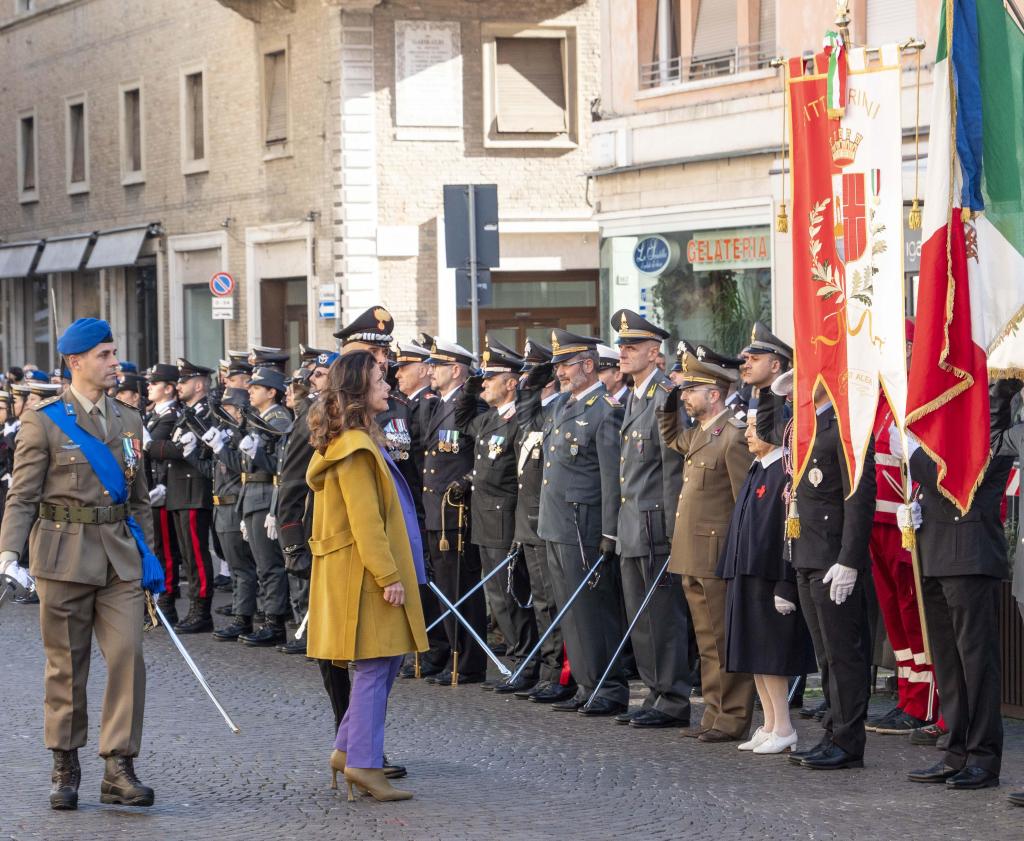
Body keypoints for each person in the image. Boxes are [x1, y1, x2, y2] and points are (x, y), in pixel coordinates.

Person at [0, 317, 164, 810]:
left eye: (114, 354)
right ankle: (65, 761)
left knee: (127, 657)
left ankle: (118, 765)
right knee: (65, 665)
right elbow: (22, 495)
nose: (115, 364)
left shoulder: (130, 420)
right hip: (61, 554)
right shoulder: (44, 420)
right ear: (76, 362)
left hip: (119, 558)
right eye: (105, 355)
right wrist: (8, 553)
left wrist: (149, 557)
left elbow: (137, 499)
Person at [305, 350, 428, 802]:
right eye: (380, 378)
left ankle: (346, 750)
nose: (389, 386)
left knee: (383, 663)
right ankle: (364, 763)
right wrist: (388, 575)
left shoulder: (355, 440)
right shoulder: (355, 447)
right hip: (365, 575)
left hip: (362, 572)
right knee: (377, 666)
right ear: (359, 389)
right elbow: (366, 521)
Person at [905, 379, 1020, 790]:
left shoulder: (985, 436)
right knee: (949, 665)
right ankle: (955, 749)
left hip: (969, 556)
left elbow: (949, 471)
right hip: (936, 551)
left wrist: (914, 446)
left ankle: (984, 758)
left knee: (977, 666)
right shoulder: (946, 433)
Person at [759, 381, 876, 771]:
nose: (790, 393)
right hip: (806, 552)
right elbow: (766, 428)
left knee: (844, 655)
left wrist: (850, 558)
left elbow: (859, 495)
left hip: (833, 557)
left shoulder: (844, 425)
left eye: (799, 382)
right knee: (826, 656)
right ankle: (833, 731)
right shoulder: (800, 427)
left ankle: (849, 741)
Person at [517, 329, 628, 716]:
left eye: (565, 365)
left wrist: (610, 532)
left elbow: (612, 478)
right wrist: (533, 380)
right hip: (556, 524)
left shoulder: (605, 410)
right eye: (558, 366)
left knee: (593, 612)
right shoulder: (561, 405)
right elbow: (525, 415)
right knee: (570, 611)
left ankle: (608, 687)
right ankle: (586, 684)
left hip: (585, 527)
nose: (560, 372)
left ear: (587, 364)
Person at [657, 350, 755, 743]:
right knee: (706, 640)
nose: (685, 397)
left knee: (721, 638)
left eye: (690, 390)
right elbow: (669, 437)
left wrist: (738, 556)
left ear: (714, 394)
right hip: (693, 554)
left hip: (717, 555)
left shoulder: (731, 435)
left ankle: (733, 716)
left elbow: (743, 503)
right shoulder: (701, 433)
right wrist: (669, 397)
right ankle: (714, 712)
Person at [611, 309, 692, 728]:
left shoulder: (665, 397)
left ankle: (674, 698)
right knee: (641, 617)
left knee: (662, 615)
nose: (623, 353)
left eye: (631, 347)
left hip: (655, 524)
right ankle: (655, 692)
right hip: (632, 524)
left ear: (653, 351)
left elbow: (671, 470)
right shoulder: (635, 396)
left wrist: (673, 530)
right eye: (622, 347)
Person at [717, 417, 817, 754]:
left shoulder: (784, 472)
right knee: (754, 655)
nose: (746, 433)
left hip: (768, 576)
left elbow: (786, 533)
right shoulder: (759, 467)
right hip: (746, 571)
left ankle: (785, 726)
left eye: (754, 427)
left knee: (770, 654)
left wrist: (785, 583)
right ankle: (770, 723)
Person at [455, 338, 539, 692]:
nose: (484, 383)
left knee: (509, 596)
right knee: (496, 596)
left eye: (491, 378)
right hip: (484, 517)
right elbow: (462, 418)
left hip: (505, 518)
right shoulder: (489, 419)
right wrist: (474, 381)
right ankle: (520, 661)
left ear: (511, 383)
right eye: (483, 378)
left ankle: (526, 662)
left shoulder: (519, 419)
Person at [511, 338, 574, 703]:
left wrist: (540, 377)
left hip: (551, 519)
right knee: (541, 601)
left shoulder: (560, 409)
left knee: (554, 600)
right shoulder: (538, 413)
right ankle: (550, 670)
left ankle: (561, 673)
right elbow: (524, 416)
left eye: (532, 373)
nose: (525, 382)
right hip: (530, 520)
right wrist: (531, 383)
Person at [147, 359, 216, 633]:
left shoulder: (205, 412)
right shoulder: (188, 412)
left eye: (185, 382)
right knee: (186, 554)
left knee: (196, 555)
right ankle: (192, 608)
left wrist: (152, 445)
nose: (180, 386)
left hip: (193, 490)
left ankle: (201, 610)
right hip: (178, 490)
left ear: (199, 385)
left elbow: (181, 449)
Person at [236, 366, 293, 646]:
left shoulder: (279, 418)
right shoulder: (259, 417)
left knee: (270, 565)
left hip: (266, 497)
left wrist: (255, 451)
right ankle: (270, 617)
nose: (250, 391)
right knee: (262, 563)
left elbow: (279, 465)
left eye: (256, 388)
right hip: (253, 496)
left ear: (272, 392)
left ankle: (275, 623)